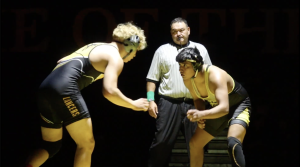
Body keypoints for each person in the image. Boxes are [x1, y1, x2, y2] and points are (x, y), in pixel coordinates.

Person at [24, 22, 149, 167]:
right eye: (136, 51)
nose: (134, 55)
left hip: (45, 89)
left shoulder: (95, 46)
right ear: (130, 45)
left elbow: (62, 61)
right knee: (86, 144)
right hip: (64, 90)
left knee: (51, 146)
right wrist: (133, 104)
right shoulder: (115, 58)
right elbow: (110, 91)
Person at [146, 17, 212, 167]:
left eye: (181, 30)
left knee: (197, 144)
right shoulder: (162, 50)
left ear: (188, 30)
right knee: (161, 143)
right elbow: (151, 79)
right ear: (171, 33)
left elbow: (209, 75)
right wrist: (150, 100)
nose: (178, 34)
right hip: (168, 103)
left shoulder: (200, 49)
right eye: (174, 31)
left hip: (195, 103)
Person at [176, 47, 251, 167]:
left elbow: (224, 108)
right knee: (195, 144)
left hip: (238, 105)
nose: (181, 69)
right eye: (180, 65)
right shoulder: (188, 79)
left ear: (196, 65)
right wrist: (200, 117)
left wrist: (201, 114)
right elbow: (197, 99)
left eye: (185, 65)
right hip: (217, 108)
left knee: (233, 142)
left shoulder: (215, 75)